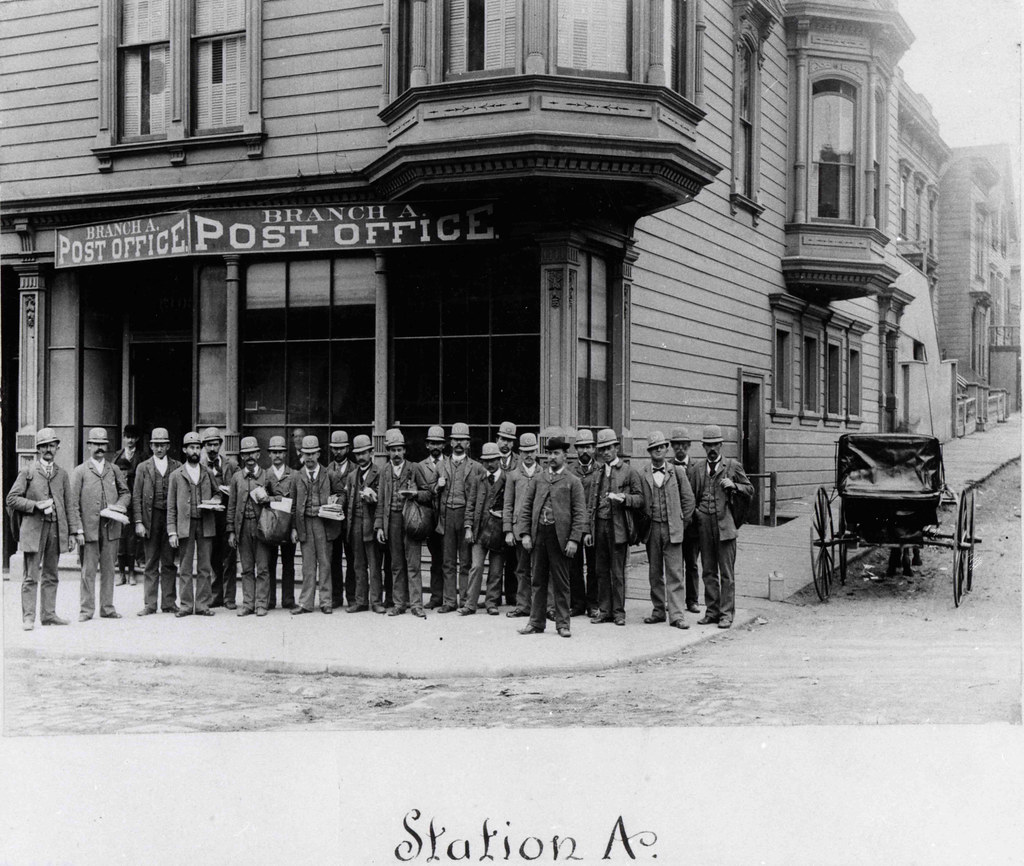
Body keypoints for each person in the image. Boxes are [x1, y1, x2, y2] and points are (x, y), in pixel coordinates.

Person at [515, 433, 589, 638]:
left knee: (562, 582)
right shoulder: (539, 479)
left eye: (556, 453)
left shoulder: (573, 481)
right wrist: (525, 534)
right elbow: (526, 507)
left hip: (561, 538)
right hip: (539, 535)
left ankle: (563, 624)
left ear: (565, 455)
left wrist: (574, 539)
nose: (552, 457)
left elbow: (580, 512)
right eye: (549, 453)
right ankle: (536, 622)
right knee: (537, 580)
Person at [6, 427, 75, 630]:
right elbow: (11, 499)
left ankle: (49, 615)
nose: (48, 449)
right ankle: (28, 617)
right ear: (38, 449)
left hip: (55, 528)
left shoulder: (61, 474)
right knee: (30, 575)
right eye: (44, 446)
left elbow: (69, 504)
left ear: (57, 448)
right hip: (33, 529)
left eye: (52, 445)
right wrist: (34, 505)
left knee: (52, 574)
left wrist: (72, 532)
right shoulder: (27, 472)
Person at [686, 425, 754, 629]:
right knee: (708, 571)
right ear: (703, 447)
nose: (712, 448)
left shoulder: (732, 466)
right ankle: (712, 611)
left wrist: (735, 486)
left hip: (725, 524)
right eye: (708, 445)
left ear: (721, 445)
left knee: (726, 572)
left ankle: (726, 614)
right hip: (704, 524)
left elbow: (750, 489)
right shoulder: (697, 468)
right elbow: (691, 495)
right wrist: (697, 513)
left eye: (715, 444)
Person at [69, 427, 131, 622]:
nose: (99, 448)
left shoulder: (114, 470)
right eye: (96, 444)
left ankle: (107, 607)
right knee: (88, 570)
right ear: (89, 446)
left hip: (111, 527)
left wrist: (119, 507)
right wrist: (77, 528)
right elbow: (73, 503)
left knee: (109, 569)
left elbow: (126, 493)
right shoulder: (80, 471)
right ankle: (86, 610)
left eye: (103, 445)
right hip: (88, 529)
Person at [638, 431, 696, 629]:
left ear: (666, 449)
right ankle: (658, 611)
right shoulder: (643, 473)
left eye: (661, 447)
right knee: (655, 572)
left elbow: (688, 500)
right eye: (654, 448)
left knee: (675, 572)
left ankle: (677, 615)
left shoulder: (677, 471)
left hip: (673, 528)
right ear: (650, 451)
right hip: (652, 529)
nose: (658, 450)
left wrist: (682, 522)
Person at [374, 428, 431, 618]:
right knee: (396, 565)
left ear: (404, 451)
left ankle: (416, 604)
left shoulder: (414, 469)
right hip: (392, 522)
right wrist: (380, 526)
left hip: (411, 521)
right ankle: (399, 603)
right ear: (388, 451)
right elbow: (381, 502)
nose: (396, 454)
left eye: (399, 450)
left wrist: (414, 494)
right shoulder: (384, 472)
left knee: (413, 564)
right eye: (393, 450)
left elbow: (428, 494)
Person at [589, 428, 643, 627]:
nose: (605, 452)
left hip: (618, 526)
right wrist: (589, 529)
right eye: (602, 449)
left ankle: (619, 612)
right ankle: (604, 611)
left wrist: (625, 498)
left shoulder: (628, 471)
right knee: (601, 570)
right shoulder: (598, 471)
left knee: (617, 571)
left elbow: (640, 499)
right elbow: (591, 503)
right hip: (600, 525)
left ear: (616, 448)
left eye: (609, 448)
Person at [290, 435, 345, 614]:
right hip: (305, 523)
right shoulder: (297, 476)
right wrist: (293, 528)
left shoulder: (330, 474)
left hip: (324, 524)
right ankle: (305, 603)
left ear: (319, 454)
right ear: (301, 454)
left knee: (325, 563)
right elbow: (292, 503)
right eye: (306, 454)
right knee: (307, 566)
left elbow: (341, 494)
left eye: (313, 454)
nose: (310, 458)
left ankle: (325, 602)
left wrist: (336, 502)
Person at [434, 422, 484, 612]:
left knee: (465, 561)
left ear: (468, 443)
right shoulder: (441, 465)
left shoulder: (476, 467)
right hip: (446, 516)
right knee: (447, 561)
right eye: (455, 439)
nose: (458, 443)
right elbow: (431, 490)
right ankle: (449, 601)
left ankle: (464, 599)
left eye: (462, 440)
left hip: (465, 516)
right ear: (450, 442)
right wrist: (437, 486)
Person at [167, 431, 218, 617]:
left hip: (205, 524)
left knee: (205, 567)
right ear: (184, 450)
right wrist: (172, 531)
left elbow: (218, 493)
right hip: (185, 525)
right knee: (185, 567)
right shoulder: (176, 475)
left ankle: (203, 605)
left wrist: (214, 501)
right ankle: (186, 605)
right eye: (191, 447)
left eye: (197, 447)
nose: (195, 451)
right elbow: (171, 506)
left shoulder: (207, 472)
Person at [132, 427, 181, 615]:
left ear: (168, 446)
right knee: (151, 562)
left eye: (162, 445)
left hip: (170, 519)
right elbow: (136, 496)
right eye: (155, 445)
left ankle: (169, 602)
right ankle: (150, 604)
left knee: (169, 561)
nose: (159, 448)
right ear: (151, 446)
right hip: (150, 519)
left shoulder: (177, 466)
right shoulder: (143, 467)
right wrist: (138, 522)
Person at [226, 437, 272, 617]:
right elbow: (231, 505)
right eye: (246, 453)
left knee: (262, 568)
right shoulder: (237, 477)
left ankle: (261, 603)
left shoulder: (267, 476)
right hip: (242, 527)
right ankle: (247, 603)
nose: (250, 456)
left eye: (253, 453)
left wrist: (267, 498)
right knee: (246, 568)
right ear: (242, 456)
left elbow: (278, 501)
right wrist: (231, 531)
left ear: (259, 454)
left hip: (262, 528)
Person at [460, 442, 507, 615]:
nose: (490, 463)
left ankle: (491, 603)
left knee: (496, 569)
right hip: (479, 531)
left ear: (500, 459)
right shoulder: (478, 479)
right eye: (486, 460)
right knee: (476, 566)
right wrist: (468, 528)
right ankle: (470, 603)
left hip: (498, 531)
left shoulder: (507, 480)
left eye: (493, 459)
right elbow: (470, 504)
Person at [502, 432, 540, 618]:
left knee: (541, 569)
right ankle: (523, 605)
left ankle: (544, 606)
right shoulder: (513, 475)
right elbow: (507, 504)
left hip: (540, 528)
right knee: (522, 569)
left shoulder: (543, 473)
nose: (529, 455)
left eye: (532, 451)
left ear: (537, 450)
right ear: (520, 452)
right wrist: (508, 530)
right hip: (519, 529)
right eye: (525, 451)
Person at [344, 434, 384, 613]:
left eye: (364, 453)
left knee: (374, 565)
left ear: (371, 452)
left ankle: (376, 601)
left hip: (372, 524)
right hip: (355, 525)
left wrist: (374, 498)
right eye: (357, 454)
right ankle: (361, 601)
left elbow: (384, 501)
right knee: (358, 564)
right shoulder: (352, 476)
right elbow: (348, 500)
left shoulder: (380, 473)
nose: (360, 457)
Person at [200, 426, 238, 609]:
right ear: (204, 446)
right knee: (213, 558)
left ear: (220, 445)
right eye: (209, 445)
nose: (213, 448)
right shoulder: (199, 467)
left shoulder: (231, 465)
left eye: (215, 444)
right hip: (209, 517)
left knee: (229, 557)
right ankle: (216, 596)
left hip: (228, 517)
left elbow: (239, 486)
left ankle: (230, 598)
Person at [670, 426, 702, 614]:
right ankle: (675, 601)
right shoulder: (667, 467)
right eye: (676, 445)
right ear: (672, 447)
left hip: (692, 526)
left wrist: (692, 516)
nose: (680, 449)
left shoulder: (697, 468)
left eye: (683, 445)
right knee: (675, 564)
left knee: (691, 563)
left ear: (689, 446)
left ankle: (692, 600)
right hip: (674, 524)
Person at [569, 428, 600, 616]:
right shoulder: (569, 470)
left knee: (594, 566)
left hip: (594, 526)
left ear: (594, 448)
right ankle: (578, 603)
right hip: (574, 526)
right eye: (581, 447)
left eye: (588, 447)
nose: (585, 451)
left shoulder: (600, 470)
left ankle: (593, 604)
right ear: (576, 450)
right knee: (574, 566)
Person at [265, 435, 297, 609]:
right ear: (269, 454)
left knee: (289, 563)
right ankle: (270, 600)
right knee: (270, 563)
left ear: (285, 454)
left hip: (288, 525)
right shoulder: (265, 475)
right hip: (271, 525)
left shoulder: (294, 475)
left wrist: (294, 528)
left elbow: (296, 504)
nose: (277, 455)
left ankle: (288, 599)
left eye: (280, 452)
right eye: (274, 452)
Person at [112, 423, 145, 586]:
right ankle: (121, 574)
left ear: (137, 439)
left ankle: (132, 572)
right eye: (127, 437)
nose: (130, 440)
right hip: (119, 503)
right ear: (123, 438)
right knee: (120, 537)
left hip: (134, 501)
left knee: (132, 538)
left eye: (132, 437)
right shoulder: (117, 456)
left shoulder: (142, 456)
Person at [326, 430, 356, 608]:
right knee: (334, 560)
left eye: (341, 448)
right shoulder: (326, 470)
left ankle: (351, 596)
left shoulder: (355, 469)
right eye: (334, 449)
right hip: (332, 521)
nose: (338, 452)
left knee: (352, 560)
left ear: (347, 448)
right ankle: (336, 596)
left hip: (351, 521)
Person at [418, 425, 446, 609]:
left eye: (438, 443)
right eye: (432, 443)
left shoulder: (451, 463)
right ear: (427, 445)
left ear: (443, 445)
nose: (435, 446)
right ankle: (436, 597)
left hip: (448, 518)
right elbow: (421, 492)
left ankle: (450, 596)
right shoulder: (420, 466)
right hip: (431, 518)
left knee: (449, 560)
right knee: (436, 559)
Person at [495, 420, 519, 606]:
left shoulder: (519, 461)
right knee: (495, 558)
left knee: (512, 559)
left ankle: (512, 596)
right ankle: (493, 597)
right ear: (497, 439)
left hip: (512, 515)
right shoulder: (489, 460)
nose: (505, 444)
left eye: (509, 440)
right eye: (503, 439)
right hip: (493, 517)